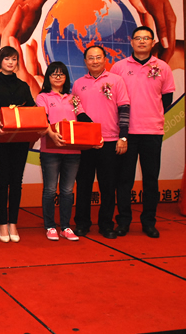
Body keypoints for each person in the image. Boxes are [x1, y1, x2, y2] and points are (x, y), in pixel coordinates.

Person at [111, 26, 175, 238]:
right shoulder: (119, 67)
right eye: (138, 38)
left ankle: (149, 222)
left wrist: (151, 114)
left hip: (152, 132)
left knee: (150, 179)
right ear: (131, 42)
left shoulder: (163, 67)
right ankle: (123, 221)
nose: (141, 41)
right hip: (125, 133)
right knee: (124, 179)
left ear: (152, 42)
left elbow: (166, 98)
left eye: (146, 38)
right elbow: (112, 98)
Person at [72, 45, 130, 239]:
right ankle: (82, 223)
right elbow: (76, 109)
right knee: (83, 185)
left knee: (108, 186)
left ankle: (106, 224)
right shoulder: (78, 84)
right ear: (85, 61)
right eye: (91, 58)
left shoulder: (117, 80)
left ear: (105, 59)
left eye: (98, 57)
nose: (95, 61)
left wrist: (123, 137)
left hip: (110, 141)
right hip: (85, 143)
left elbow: (124, 109)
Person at [36, 62, 97, 242]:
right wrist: (52, 135)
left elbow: (83, 118)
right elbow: (42, 120)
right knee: (49, 190)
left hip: (72, 151)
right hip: (50, 149)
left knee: (68, 190)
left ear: (66, 77)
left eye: (61, 74)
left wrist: (96, 135)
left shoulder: (73, 98)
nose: (58, 77)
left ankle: (65, 226)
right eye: (54, 74)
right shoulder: (43, 97)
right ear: (48, 77)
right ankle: (49, 226)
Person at [0, 46, 35, 243]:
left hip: (21, 140)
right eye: (7, 59)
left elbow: (31, 108)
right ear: (0, 61)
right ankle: (2, 223)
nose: (10, 62)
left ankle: (13, 222)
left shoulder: (23, 85)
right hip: (2, 139)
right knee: (3, 181)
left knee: (17, 182)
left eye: (14, 59)